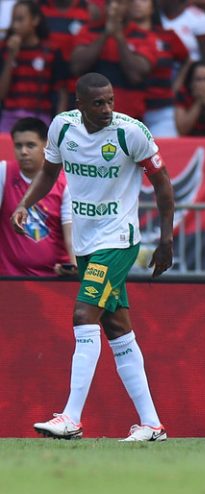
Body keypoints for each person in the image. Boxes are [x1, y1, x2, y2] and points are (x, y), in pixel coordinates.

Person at [11, 73, 175, 442]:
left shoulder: (129, 132)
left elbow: (163, 183)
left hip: (118, 239)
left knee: (84, 315)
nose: (107, 109)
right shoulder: (62, 128)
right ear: (79, 103)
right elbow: (50, 172)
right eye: (98, 103)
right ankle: (152, 424)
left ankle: (71, 417)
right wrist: (26, 203)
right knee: (117, 329)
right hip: (87, 243)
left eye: (111, 101)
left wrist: (166, 239)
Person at [0, 117, 76, 277]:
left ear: (45, 145)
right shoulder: (3, 172)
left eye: (30, 145)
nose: (23, 152)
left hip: (54, 279)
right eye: (18, 146)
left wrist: (74, 265)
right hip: (9, 278)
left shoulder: (66, 183)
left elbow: (71, 235)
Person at [70, 0, 159, 121]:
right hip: (91, 117)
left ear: (129, 5)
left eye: (120, 2)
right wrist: (106, 34)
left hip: (129, 118)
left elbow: (136, 76)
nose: (114, 7)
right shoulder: (88, 31)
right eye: (109, 3)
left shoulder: (145, 36)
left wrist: (118, 36)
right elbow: (77, 67)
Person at [0, 1, 66, 132]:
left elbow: (62, 91)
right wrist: (11, 57)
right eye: (13, 20)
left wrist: (60, 124)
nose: (15, 25)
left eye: (20, 20)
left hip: (39, 117)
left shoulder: (51, 51)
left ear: (35, 20)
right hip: (10, 117)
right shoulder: (5, 50)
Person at [130, 0, 190, 137]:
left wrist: (176, 87)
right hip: (130, 111)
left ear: (153, 6)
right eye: (132, 1)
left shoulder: (167, 36)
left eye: (143, 0)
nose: (137, 4)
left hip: (162, 110)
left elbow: (186, 60)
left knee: (165, 155)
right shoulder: (121, 36)